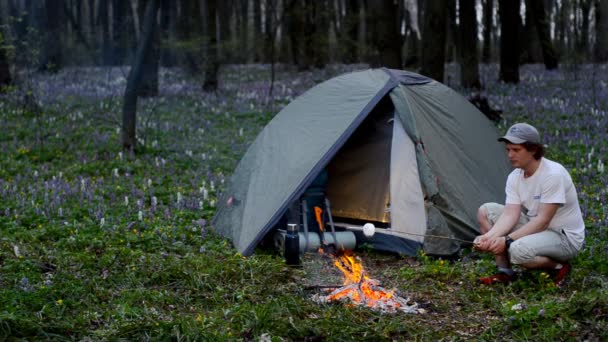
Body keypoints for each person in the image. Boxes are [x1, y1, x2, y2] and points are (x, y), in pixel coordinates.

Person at [474, 122, 585, 286]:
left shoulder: (553, 175)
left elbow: (543, 221)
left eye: (516, 150)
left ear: (533, 149)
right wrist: (488, 237)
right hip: (538, 230)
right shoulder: (515, 176)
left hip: (564, 238)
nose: (510, 155)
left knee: (518, 250)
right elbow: (510, 214)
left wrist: (506, 241)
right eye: (508, 150)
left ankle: (558, 267)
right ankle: (505, 272)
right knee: (485, 211)